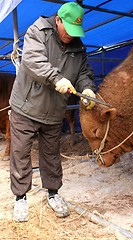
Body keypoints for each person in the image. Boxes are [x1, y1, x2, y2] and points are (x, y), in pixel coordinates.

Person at [9, 2, 96, 222]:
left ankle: (53, 194)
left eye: (76, 32)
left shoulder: (78, 47)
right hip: (26, 107)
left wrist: (87, 87)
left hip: (54, 111)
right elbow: (32, 60)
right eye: (68, 29)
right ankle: (20, 198)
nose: (71, 36)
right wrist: (56, 78)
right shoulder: (37, 31)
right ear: (58, 20)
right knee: (20, 153)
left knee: (51, 155)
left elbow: (84, 72)